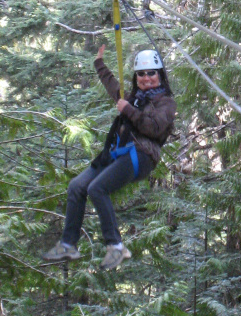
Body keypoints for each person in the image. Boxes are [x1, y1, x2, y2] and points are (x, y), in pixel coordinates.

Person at [43, 46, 176, 270]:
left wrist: (128, 110)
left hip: (142, 156)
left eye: (151, 73)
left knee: (96, 188)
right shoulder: (132, 98)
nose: (146, 78)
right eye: (141, 74)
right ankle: (68, 244)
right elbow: (113, 86)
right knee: (76, 186)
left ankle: (115, 246)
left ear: (160, 75)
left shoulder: (166, 103)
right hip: (118, 152)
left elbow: (153, 128)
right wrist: (99, 64)